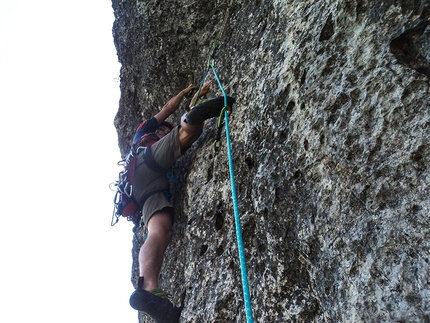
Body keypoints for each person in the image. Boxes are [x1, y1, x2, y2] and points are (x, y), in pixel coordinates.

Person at [128, 80, 235, 323]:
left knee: (160, 231)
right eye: (164, 130)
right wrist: (186, 93)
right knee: (188, 130)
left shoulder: (137, 140)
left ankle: (148, 290)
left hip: (142, 190)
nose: (164, 130)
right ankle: (190, 116)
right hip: (148, 162)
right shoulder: (144, 135)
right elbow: (167, 108)